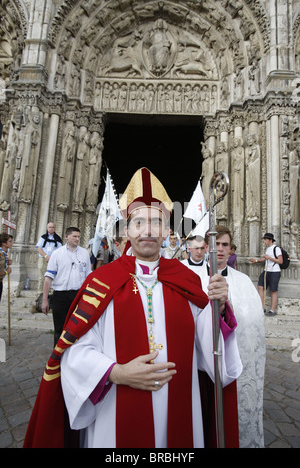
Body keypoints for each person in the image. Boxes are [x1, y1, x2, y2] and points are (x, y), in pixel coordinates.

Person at [24, 168, 242, 448]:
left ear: (166, 230)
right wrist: (116, 373)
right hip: (114, 408)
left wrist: (220, 310)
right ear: (127, 230)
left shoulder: (187, 280)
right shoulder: (101, 281)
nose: (148, 230)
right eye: (139, 223)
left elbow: (209, 349)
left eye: (156, 222)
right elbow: (75, 353)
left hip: (180, 408)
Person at [194, 226, 265, 448]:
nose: (220, 249)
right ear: (206, 247)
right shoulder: (192, 278)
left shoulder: (244, 282)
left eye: (225, 245)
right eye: (215, 244)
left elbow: (254, 324)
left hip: (236, 364)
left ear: (231, 249)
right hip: (202, 366)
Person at [41, 227, 91, 346]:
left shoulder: (84, 253)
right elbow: (48, 278)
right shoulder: (57, 254)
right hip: (60, 295)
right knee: (60, 328)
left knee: (77, 327)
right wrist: (44, 300)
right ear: (66, 237)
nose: (77, 239)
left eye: (79, 236)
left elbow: (89, 275)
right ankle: (57, 359)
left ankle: (74, 356)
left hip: (78, 295)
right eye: (74, 236)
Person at [250, 232, 283, 316]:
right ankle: (262, 307)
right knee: (260, 286)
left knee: (273, 290)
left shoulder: (276, 248)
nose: (264, 241)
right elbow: (266, 259)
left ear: (270, 240)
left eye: (265, 239)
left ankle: (272, 310)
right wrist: (256, 261)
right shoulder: (268, 249)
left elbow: (280, 261)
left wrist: (270, 258)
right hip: (266, 271)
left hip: (274, 272)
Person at [36, 222, 62, 293]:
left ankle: (51, 294)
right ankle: (40, 293)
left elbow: (60, 250)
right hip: (43, 259)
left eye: (52, 227)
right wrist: (46, 256)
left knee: (52, 277)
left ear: (54, 228)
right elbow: (39, 248)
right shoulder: (43, 237)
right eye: (50, 227)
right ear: (47, 228)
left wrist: (53, 258)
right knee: (41, 276)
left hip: (53, 260)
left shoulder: (58, 238)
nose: (51, 229)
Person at [0, 233, 13, 302]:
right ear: (4, 243)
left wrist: (6, 262)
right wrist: (6, 272)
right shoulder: (1, 254)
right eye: (10, 241)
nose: (12, 243)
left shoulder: (4, 255)